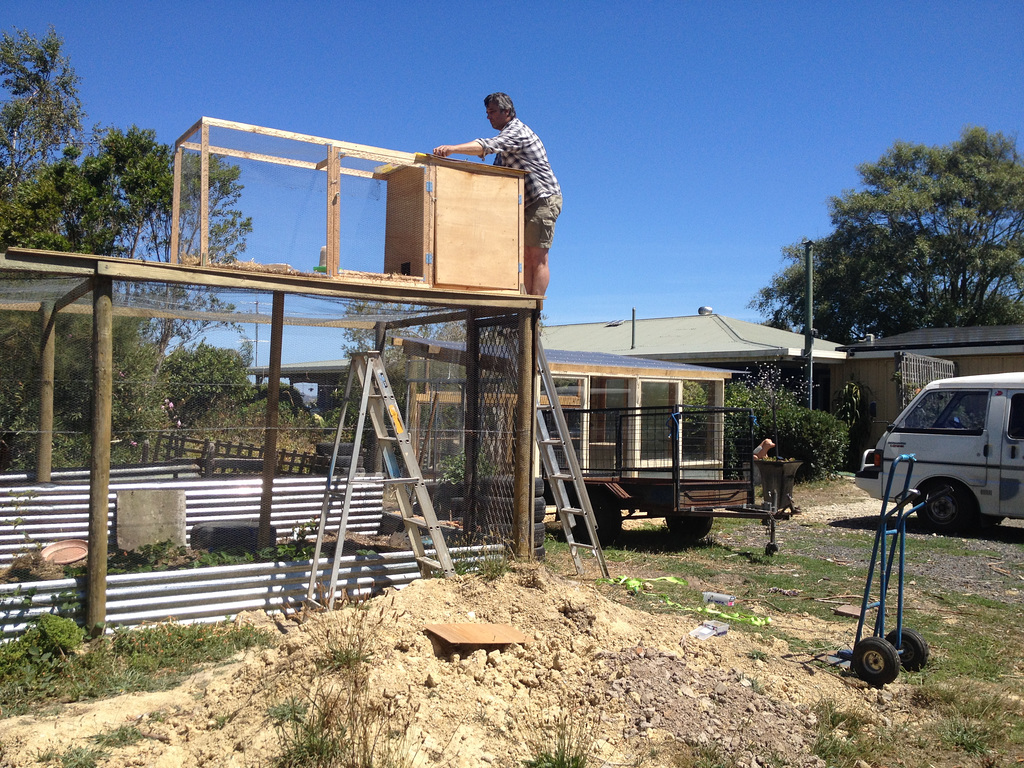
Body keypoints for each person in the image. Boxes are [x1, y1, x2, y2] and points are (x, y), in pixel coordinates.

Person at [433, 92, 562, 297]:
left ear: (507, 112)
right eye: (487, 112)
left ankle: (533, 308)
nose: (488, 116)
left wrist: (452, 149)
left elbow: (487, 146)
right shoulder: (506, 143)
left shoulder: (517, 132)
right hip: (526, 204)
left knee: (537, 257)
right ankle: (526, 304)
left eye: (492, 111)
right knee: (526, 257)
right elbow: (495, 178)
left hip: (542, 199)